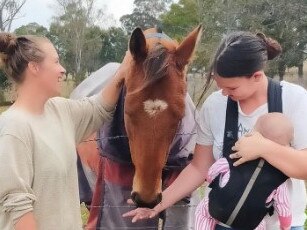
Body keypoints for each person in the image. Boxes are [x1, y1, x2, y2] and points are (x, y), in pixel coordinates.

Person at [123, 31, 307, 230]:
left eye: (232, 88)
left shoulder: (294, 99)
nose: (225, 93)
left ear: (256, 76)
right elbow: (199, 167)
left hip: (281, 225)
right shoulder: (215, 105)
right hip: (223, 222)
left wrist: (265, 148)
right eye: (221, 86)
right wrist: (158, 204)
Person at [0, 33, 127, 230]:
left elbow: (99, 108)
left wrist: (124, 69)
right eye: (56, 61)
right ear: (34, 67)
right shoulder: (12, 129)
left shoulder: (60, 110)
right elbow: (18, 209)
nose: (63, 69)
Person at [195, 112, 293, 230]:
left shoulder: (236, 156)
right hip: (250, 222)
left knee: (203, 211)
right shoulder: (278, 176)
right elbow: (284, 206)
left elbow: (213, 171)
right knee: (260, 225)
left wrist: (212, 179)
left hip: (219, 208)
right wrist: (285, 226)